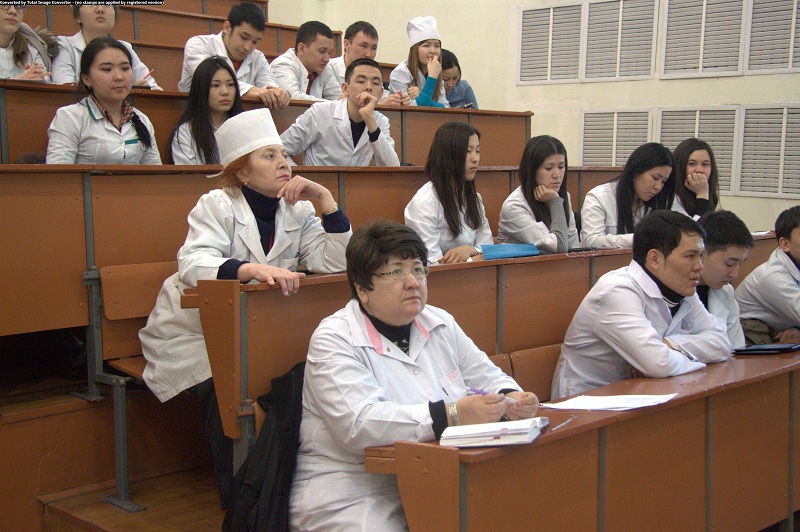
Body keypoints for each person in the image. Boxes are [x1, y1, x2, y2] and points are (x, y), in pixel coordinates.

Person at [139, 108, 351, 508]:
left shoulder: (300, 209)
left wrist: (326, 200)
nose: (284, 162)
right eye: (269, 156)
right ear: (242, 172)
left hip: (257, 327)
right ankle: (237, 502)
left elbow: (335, 263)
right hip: (194, 332)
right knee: (222, 385)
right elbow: (192, 263)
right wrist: (249, 269)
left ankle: (276, 489)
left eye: (284, 154)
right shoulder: (216, 204)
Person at [289, 220, 539, 530]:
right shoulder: (335, 338)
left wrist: (511, 398)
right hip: (356, 488)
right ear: (362, 288)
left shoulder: (439, 321)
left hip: (435, 472)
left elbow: (486, 375)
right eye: (396, 272)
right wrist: (452, 414)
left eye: (418, 269)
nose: (412, 282)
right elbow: (359, 425)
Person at [551, 210, 730, 399]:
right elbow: (658, 363)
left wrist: (670, 344)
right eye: (690, 256)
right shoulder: (617, 290)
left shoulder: (682, 288)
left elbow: (721, 342)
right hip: (588, 401)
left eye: (701, 256)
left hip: (642, 393)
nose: (699, 266)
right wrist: (690, 356)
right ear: (654, 259)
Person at [45, 37, 161, 165]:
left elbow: (155, 173)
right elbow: (59, 173)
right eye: (107, 69)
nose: (119, 77)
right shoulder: (69, 117)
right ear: (86, 79)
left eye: (125, 68)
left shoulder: (142, 120)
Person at [279, 58, 400, 167]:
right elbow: (280, 150)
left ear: (381, 93)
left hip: (357, 184)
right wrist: (299, 177)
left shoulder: (380, 121)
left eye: (375, 83)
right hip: (317, 183)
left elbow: (392, 167)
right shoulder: (320, 112)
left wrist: (369, 119)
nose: (369, 87)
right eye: (361, 81)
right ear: (345, 89)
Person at [404, 121, 492, 263]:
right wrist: (473, 258)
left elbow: (488, 248)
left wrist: (470, 250)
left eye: (477, 151)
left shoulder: (475, 198)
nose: (475, 159)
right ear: (447, 155)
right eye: (467, 151)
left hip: (477, 273)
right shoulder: (425, 202)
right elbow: (431, 263)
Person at [178, 2, 289, 109]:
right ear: (227, 27)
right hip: (198, 115)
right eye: (244, 37)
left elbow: (268, 86)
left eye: (255, 42)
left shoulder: (258, 57)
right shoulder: (199, 45)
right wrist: (257, 92)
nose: (248, 47)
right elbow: (210, 79)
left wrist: (277, 93)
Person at [580, 142, 675, 249]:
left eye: (663, 181)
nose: (658, 186)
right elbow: (591, 241)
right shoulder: (599, 197)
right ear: (636, 171)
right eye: (655, 178)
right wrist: (638, 239)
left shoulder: (658, 201)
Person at [50, 3, 160, 90]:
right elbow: (64, 89)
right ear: (77, 16)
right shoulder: (65, 45)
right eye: (91, 4)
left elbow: (155, 89)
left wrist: (141, 89)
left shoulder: (125, 47)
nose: (100, 9)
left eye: (107, 4)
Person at [498, 135, 579, 253]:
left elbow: (574, 247)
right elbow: (559, 248)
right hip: (523, 265)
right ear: (532, 170)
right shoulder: (514, 206)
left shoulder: (563, 196)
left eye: (561, 167)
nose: (557, 175)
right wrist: (555, 203)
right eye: (548, 168)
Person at [736, 206, 800, 345]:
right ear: (785, 244)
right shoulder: (773, 276)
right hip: (749, 336)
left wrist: (796, 328)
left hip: (777, 330)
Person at [166, 56, 244, 165]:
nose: (225, 92)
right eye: (215, 85)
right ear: (201, 89)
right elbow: (189, 174)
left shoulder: (245, 127)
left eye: (230, 84)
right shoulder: (186, 132)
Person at [696, 210, 754, 349]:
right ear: (701, 253)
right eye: (729, 263)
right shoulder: (672, 292)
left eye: (740, 264)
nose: (735, 274)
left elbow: (737, 349)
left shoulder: (726, 292)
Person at [324, 21, 409, 106]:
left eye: (373, 48)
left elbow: (382, 96)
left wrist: (398, 100)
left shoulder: (373, 71)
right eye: (363, 46)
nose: (368, 54)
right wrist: (381, 105)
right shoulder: (328, 68)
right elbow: (339, 102)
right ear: (347, 45)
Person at [270, 20, 340, 102]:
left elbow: (340, 98)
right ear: (301, 49)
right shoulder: (282, 65)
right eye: (322, 51)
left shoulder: (323, 69)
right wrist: (332, 104)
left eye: (329, 53)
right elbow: (293, 98)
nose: (327, 59)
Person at [388, 16, 449, 107]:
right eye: (426, 45)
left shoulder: (436, 73)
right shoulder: (400, 73)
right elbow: (413, 111)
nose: (433, 51)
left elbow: (446, 109)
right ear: (415, 50)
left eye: (437, 46)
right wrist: (432, 78)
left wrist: (420, 95)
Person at [0, 4, 56, 81]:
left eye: (18, 5)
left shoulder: (33, 48)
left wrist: (39, 79)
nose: (13, 11)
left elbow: (44, 80)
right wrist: (19, 81)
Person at [671, 138, 720, 218]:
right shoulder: (672, 198)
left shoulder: (710, 194)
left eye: (705, 164)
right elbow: (697, 226)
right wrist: (702, 194)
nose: (699, 170)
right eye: (692, 164)